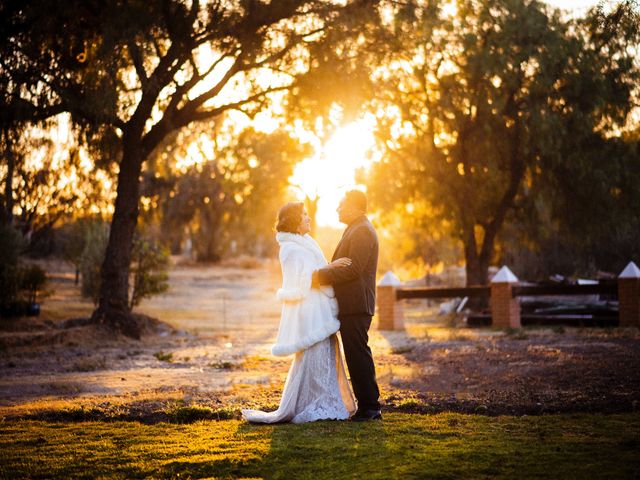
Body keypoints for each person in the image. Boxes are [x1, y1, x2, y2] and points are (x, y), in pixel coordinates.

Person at [242, 202, 356, 423]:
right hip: (310, 315)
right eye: (304, 215)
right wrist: (333, 267)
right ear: (294, 220)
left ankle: (325, 401)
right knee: (315, 360)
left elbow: (314, 273)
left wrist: (330, 268)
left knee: (323, 359)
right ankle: (315, 405)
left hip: (320, 312)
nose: (309, 218)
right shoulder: (290, 249)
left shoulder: (305, 243)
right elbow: (304, 280)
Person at [312, 190, 382, 421]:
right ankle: (368, 406)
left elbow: (353, 269)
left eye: (341, 205)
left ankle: (370, 408)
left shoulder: (362, 231)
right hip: (352, 305)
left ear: (355, 207)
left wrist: (320, 276)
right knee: (356, 355)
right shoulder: (355, 228)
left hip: (356, 304)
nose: (337, 210)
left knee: (358, 355)